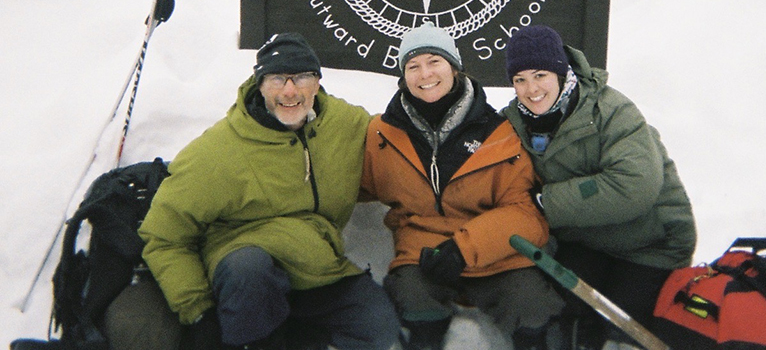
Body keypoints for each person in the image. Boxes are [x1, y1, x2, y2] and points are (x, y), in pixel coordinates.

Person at [139, 32, 401, 350]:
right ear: (260, 84)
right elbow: (164, 236)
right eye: (277, 78)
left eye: (302, 77)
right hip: (246, 270)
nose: (290, 91)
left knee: (379, 330)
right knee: (249, 272)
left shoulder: (344, 125)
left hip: (318, 266)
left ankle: (288, 335)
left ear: (317, 82)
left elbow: (397, 143)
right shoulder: (218, 150)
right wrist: (198, 311)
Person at [360, 23, 566, 350]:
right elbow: (348, 184)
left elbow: (526, 215)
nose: (425, 73)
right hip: (422, 256)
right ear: (403, 76)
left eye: (435, 61)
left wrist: (463, 249)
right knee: (414, 310)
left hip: (496, 254)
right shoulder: (382, 135)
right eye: (413, 66)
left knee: (533, 310)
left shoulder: (499, 133)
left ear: (455, 67)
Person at [503, 25, 697, 350]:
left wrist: (546, 203)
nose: (531, 89)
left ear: (561, 74)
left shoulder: (611, 112)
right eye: (520, 79)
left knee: (618, 330)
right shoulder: (517, 122)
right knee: (558, 310)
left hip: (651, 243)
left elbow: (633, 187)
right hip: (589, 238)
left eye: (540, 75)